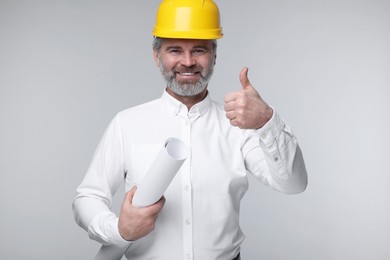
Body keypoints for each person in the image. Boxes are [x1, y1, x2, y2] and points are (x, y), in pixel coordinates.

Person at [72, 0, 308, 259]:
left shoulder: (240, 126)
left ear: (214, 56)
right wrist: (119, 230)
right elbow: (88, 197)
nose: (187, 62)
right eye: (175, 50)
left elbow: (293, 184)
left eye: (199, 50)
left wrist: (266, 120)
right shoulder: (126, 123)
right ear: (156, 55)